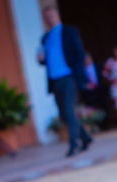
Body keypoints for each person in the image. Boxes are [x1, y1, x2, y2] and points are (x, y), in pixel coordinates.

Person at [37, 6, 93, 157]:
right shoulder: (45, 38)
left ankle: (74, 144)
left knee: (69, 110)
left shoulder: (69, 31)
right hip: (55, 81)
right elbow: (45, 60)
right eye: (47, 17)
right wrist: (41, 60)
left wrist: (80, 76)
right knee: (63, 114)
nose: (50, 19)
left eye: (52, 16)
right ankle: (86, 137)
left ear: (57, 15)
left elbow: (79, 54)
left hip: (69, 77)